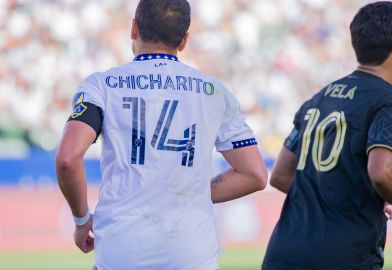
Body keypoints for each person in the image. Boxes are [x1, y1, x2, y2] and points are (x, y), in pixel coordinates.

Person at [55, 1, 267, 269]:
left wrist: (81, 220)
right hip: (191, 256)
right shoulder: (216, 93)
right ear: (184, 40)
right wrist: (191, 192)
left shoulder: (103, 86)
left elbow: (67, 158)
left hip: (121, 253)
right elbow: (255, 175)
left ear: (134, 28)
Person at [262, 2, 392, 270]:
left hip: (283, 253)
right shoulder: (391, 102)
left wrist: (348, 196)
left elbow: (281, 175)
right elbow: (382, 171)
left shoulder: (317, 99)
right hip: (343, 256)